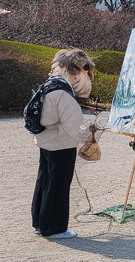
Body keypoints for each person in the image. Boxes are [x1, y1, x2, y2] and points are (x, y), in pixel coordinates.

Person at [32, 48, 96, 239]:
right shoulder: (63, 94)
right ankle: (55, 228)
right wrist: (89, 136)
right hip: (61, 144)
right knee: (59, 186)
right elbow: (73, 126)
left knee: (44, 182)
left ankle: (40, 223)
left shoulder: (50, 86)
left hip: (46, 141)